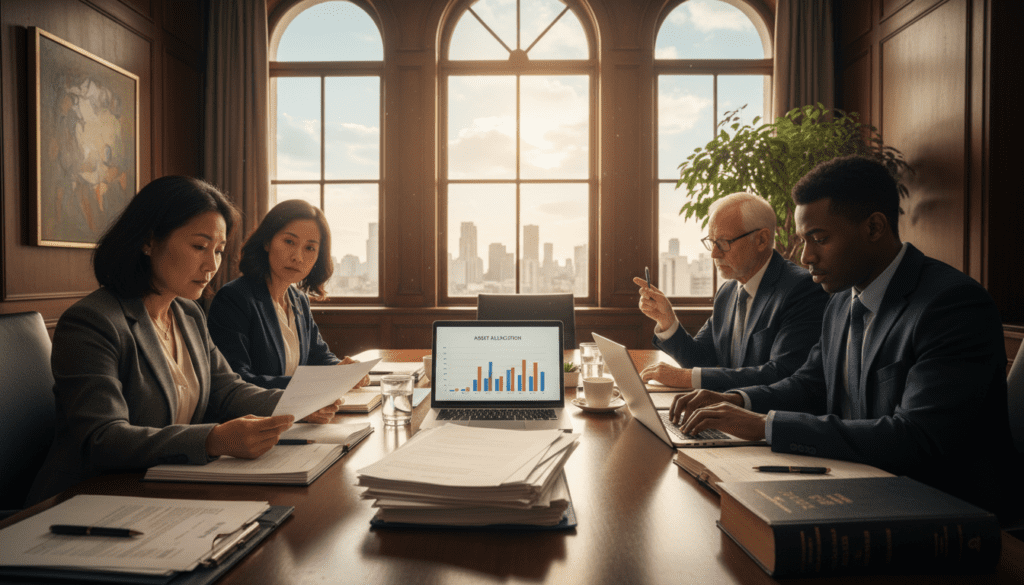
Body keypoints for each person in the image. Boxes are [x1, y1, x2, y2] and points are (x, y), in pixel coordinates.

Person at [669, 156, 1020, 522]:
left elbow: (917, 438)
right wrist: (736, 400)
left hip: (945, 511)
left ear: (874, 228)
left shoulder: (951, 305)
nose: (806, 257)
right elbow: (810, 384)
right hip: (863, 487)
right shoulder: (839, 301)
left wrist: (764, 425)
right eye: (804, 241)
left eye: (819, 239)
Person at [28, 177, 340, 504]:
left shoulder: (188, 314)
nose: (211, 265)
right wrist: (212, 440)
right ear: (149, 241)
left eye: (218, 251)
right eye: (198, 247)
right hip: (88, 501)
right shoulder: (94, 321)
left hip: (162, 490)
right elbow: (102, 439)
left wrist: (302, 404)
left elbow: (228, 389)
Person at [634, 192, 827, 390]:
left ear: (761, 240)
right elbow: (699, 359)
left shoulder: (802, 289)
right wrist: (667, 320)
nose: (714, 253)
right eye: (711, 241)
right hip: (726, 411)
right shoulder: (727, 292)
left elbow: (781, 374)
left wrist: (686, 378)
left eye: (724, 243)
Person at [207, 199, 369, 390]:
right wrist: (314, 383)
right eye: (289, 241)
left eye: (310, 248)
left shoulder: (298, 299)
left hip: (299, 412)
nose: (298, 257)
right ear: (267, 242)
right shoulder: (234, 298)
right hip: (255, 416)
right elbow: (238, 381)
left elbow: (318, 356)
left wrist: (343, 370)